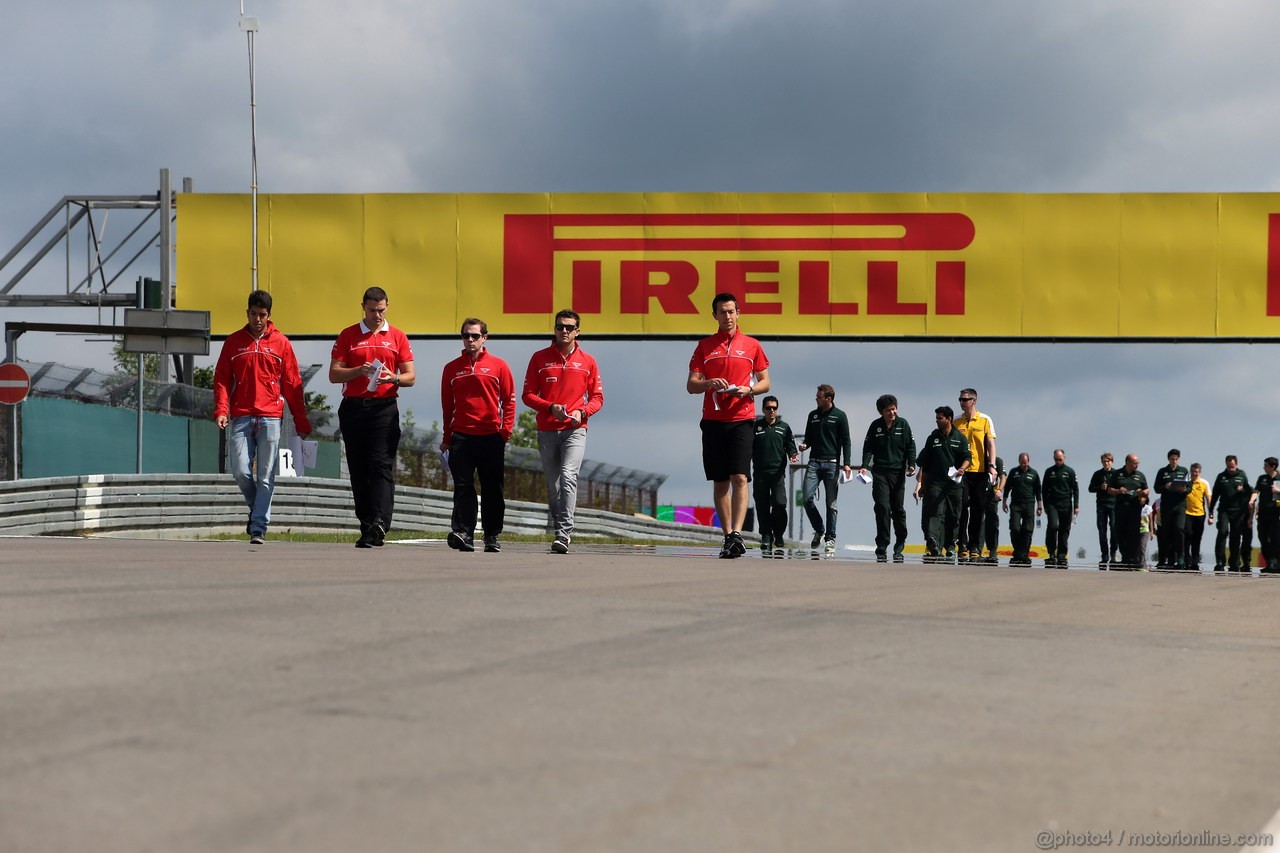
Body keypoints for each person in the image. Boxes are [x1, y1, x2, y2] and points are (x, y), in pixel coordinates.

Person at [212, 289, 312, 545]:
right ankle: (257, 509)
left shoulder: (281, 343)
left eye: (262, 315)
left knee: (266, 475)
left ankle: (258, 526)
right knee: (240, 471)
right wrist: (222, 409)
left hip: (270, 417)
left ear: (269, 316)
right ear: (247, 313)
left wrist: (301, 421)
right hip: (242, 416)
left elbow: (293, 384)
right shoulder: (233, 342)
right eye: (254, 314)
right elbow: (222, 379)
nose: (258, 319)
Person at [329, 286, 415, 548]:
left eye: (381, 310)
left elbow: (411, 376)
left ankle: (380, 521)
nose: (377, 315)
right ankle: (366, 526)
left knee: (380, 464)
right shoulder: (348, 335)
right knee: (358, 468)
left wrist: (395, 377)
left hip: (384, 408)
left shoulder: (397, 336)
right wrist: (358, 371)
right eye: (372, 310)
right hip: (354, 407)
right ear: (363, 308)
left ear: (387, 306)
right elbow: (334, 374)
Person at [687, 293, 770, 559]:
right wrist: (709, 383)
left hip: (742, 419)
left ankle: (738, 532)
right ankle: (727, 535)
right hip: (713, 420)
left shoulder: (752, 345)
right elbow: (691, 385)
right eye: (722, 312)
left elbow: (765, 382)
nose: (728, 316)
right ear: (715, 315)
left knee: (740, 477)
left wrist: (749, 390)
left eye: (731, 311)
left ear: (738, 313)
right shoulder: (705, 346)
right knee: (721, 481)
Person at [521, 309, 604, 555]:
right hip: (547, 429)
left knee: (569, 476)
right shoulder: (539, 358)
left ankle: (564, 534)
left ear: (577, 331)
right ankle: (559, 528)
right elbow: (527, 395)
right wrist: (549, 407)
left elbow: (598, 397)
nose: (564, 331)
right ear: (555, 329)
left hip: (575, 429)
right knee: (554, 485)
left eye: (569, 327)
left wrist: (583, 412)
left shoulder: (588, 361)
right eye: (560, 327)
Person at [441, 318, 515, 553]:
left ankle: (492, 535)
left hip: (491, 436)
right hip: (461, 437)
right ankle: (464, 532)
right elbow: (447, 406)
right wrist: (447, 437)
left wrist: (505, 431)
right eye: (466, 336)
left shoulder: (499, 366)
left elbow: (509, 400)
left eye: (475, 336)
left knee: (492, 488)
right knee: (463, 487)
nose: (470, 340)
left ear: (485, 338)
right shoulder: (451, 368)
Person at [858, 393, 917, 562]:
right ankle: (882, 544)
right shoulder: (875, 426)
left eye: (894, 409)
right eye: (888, 410)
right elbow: (868, 448)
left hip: (898, 473)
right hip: (880, 472)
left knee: (897, 508)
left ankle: (900, 542)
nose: (892, 413)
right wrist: (864, 466)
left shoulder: (903, 424)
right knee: (882, 507)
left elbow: (910, 447)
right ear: (881, 412)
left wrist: (911, 464)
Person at [799, 384, 853, 554]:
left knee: (831, 504)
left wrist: (847, 463)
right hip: (814, 462)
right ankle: (819, 529)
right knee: (806, 498)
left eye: (819, 397)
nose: (816, 399)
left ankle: (830, 538)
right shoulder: (813, 415)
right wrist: (804, 445)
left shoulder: (840, 416)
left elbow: (846, 441)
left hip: (832, 463)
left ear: (828, 399)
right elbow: (808, 438)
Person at [914, 405, 970, 562]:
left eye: (940, 418)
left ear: (949, 419)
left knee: (954, 515)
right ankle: (933, 542)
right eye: (936, 418)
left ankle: (951, 545)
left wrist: (962, 468)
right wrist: (921, 484)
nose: (937, 421)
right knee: (935, 513)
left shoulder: (960, 438)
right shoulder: (933, 439)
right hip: (935, 483)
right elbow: (923, 462)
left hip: (954, 484)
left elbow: (968, 457)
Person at [954, 388, 998, 562]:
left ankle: (975, 546)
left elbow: (990, 444)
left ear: (974, 400)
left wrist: (992, 466)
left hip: (980, 471)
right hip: (962, 472)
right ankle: (962, 544)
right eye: (960, 399)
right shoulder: (957, 422)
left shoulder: (985, 420)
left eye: (965, 399)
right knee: (963, 507)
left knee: (978, 510)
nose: (962, 402)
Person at [752, 396, 798, 557]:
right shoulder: (756, 427)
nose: (772, 411)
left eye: (774, 408)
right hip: (760, 474)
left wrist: (793, 455)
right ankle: (766, 535)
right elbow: (748, 450)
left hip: (778, 473)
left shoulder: (784, 427)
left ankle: (778, 533)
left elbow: (790, 446)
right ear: (763, 409)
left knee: (779, 504)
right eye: (769, 408)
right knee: (762, 505)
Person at [1208, 455, 1253, 573]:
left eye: (1232, 467)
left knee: (1235, 537)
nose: (1230, 469)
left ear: (1236, 464)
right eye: (1228, 467)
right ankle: (1220, 562)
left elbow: (1249, 492)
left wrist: (1242, 490)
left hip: (1238, 512)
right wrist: (1211, 511)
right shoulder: (1221, 476)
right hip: (1224, 510)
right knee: (1222, 532)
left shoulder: (1242, 476)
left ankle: (1234, 563)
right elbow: (1215, 495)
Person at [1107, 454, 1149, 570]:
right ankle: (1125, 555)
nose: (1137, 465)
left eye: (1138, 463)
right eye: (1135, 463)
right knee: (1120, 531)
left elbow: (1147, 489)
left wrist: (1143, 493)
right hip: (1121, 507)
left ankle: (1132, 558)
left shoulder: (1140, 475)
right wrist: (1119, 490)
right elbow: (1109, 490)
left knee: (1134, 532)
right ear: (1127, 463)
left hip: (1135, 507)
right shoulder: (1117, 474)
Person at [1153, 448, 1190, 569]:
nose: (1174, 461)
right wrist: (1165, 486)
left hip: (1180, 505)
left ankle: (1180, 557)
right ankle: (1168, 559)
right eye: (1172, 459)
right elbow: (1156, 488)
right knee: (1166, 532)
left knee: (1179, 530)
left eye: (1176, 459)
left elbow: (1190, 488)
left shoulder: (1184, 471)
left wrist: (1184, 489)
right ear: (1168, 459)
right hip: (1167, 506)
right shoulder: (1162, 471)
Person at [1041, 449, 1079, 567]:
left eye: (1060, 459)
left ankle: (1061, 554)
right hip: (1052, 504)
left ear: (1064, 458)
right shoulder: (1049, 472)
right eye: (1056, 459)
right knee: (1053, 526)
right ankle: (1051, 553)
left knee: (1064, 529)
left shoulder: (1070, 472)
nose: (1058, 461)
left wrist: (1076, 506)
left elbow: (1075, 490)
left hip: (1066, 504)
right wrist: (1045, 505)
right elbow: (1044, 489)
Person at [1002, 453, 1041, 566]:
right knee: (1015, 528)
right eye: (1022, 462)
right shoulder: (1014, 472)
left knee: (1027, 530)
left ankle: (1024, 554)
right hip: (1016, 504)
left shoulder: (1033, 473)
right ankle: (1017, 551)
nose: (1024, 464)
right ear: (1019, 461)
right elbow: (1007, 487)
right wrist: (1004, 501)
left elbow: (1038, 490)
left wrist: (1039, 505)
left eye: (1026, 462)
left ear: (1028, 461)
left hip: (1029, 503)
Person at [1088, 452, 1119, 567]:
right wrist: (1100, 487)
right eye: (1104, 461)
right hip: (1101, 505)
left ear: (1112, 462)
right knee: (1102, 531)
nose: (1106, 463)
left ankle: (1113, 553)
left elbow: (1120, 488)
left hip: (1114, 505)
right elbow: (1090, 488)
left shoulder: (1116, 473)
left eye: (1108, 461)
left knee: (1114, 530)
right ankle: (1104, 555)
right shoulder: (1098, 474)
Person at [1251, 457, 1280, 574]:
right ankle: (1270, 563)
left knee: (1275, 540)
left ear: (1272, 466)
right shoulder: (1262, 478)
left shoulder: (1279, 478)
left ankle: (1275, 564)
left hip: (1276, 515)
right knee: (1263, 538)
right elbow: (1256, 491)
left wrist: (1278, 491)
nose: (1264, 467)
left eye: (1266, 465)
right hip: (1263, 514)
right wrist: (1252, 500)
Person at [1183, 462, 1211, 569]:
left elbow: (1208, 499)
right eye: (1193, 471)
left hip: (1200, 514)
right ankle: (1186, 560)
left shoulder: (1204, 483)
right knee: (1187, 536)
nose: (1195, 474)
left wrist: (1210, 514)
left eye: (1197, 472)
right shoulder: (1186, 483)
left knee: (1197, 539)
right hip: (1187, 514)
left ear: (1200, 472)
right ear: (1190, 471)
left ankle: (1195, 562)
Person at [982, 455, 1006, 564]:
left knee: (992, 522)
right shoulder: (978, 458)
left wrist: (1000, 490)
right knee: (978, 521)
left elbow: (1003, 477)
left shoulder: (997, 461)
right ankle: (976, 549)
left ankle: (992, 550)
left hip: (992, 495)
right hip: (979, 493)